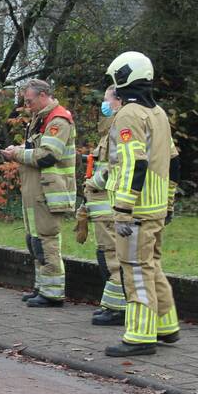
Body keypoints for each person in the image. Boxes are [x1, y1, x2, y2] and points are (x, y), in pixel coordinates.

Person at [104, 52, 181, 356]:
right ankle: (166, 325)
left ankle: (139, 336)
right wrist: (170, 202)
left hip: (136, 211)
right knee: (152, 267)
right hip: (157, 206)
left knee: (135, 270)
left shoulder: (128, 115)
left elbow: (133, 163)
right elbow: (174, 162)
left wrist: (123, 208)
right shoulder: (159, 113)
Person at [0, 79, 76, 307]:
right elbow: (37, 149)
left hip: (49, 190)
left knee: (46, 239)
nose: (27, 105)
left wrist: (17, 155)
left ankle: (52, 293)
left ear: (43, 96)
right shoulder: (41, 118)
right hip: (37, 189)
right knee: (34, 240)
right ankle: (42, 287)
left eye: (30, 100)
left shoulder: (57, 120)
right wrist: (19, 150)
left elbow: (48, 155)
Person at [82, 86, 126, 326]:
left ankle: (118, 309)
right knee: (106, 253)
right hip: (101, 201)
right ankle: (111, 306)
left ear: (117, 100)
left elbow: (116, 164)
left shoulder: (120, 126)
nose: (104, 105)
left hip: (109, 200)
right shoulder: (110, 129)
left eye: (107, 99)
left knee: (113, 255)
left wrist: (94, 181)